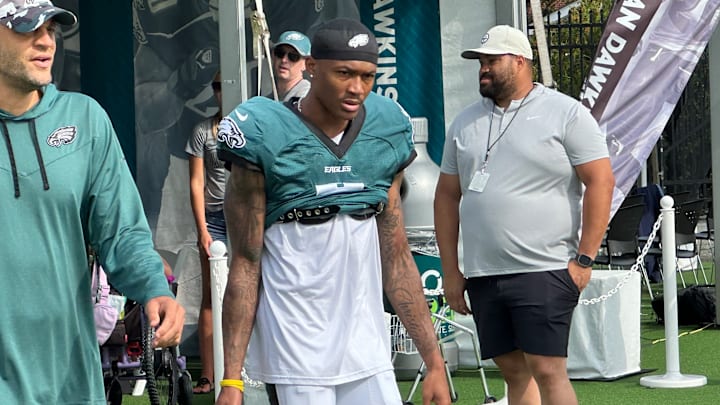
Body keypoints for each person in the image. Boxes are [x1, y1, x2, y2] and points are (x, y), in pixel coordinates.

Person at [215, 18, 451, 405]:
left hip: (367, 347)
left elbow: (396, 255)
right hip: (295, 348)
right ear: (312, 67)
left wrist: (434, 361)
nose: (356, 88)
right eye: (344, 73)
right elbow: (245, 261)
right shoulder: (265, 130)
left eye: (367, 76)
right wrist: (231, 380)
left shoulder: (385, 130)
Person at [0, 1, 186, 403]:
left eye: (50, 29)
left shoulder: (85, 120)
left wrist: (155, 287)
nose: (45, 41)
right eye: (27, 28)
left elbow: (121, 232)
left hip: (70, 378)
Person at [433, 25, 615, 405]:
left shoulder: (565, 113)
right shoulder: (465, 122)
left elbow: (600, 181)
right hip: (484, 273)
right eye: (480, 62)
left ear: (520, 61)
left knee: (548, 369)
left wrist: (584, 258)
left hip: (544, 267)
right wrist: (451, 271)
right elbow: (447, 197)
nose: (483, 68)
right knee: (514, 371)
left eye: (492, 60)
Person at [185, 70, 227, 394]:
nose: (221, 91)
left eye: (225, 84)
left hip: (247, 221)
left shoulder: (254, 126)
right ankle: (208, 375)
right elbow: (197, 183)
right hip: (214, 220)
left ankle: (249, 374)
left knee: (254, 294)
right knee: (212, 297)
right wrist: (202, 229)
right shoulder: (203, 130)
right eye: (216, 86)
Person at [270, 30, 311, 101]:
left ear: (306, 64)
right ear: (273, 56)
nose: (284, 60)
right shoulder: (267, 100)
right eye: (280, 53)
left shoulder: (307, 98)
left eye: (293, 56)